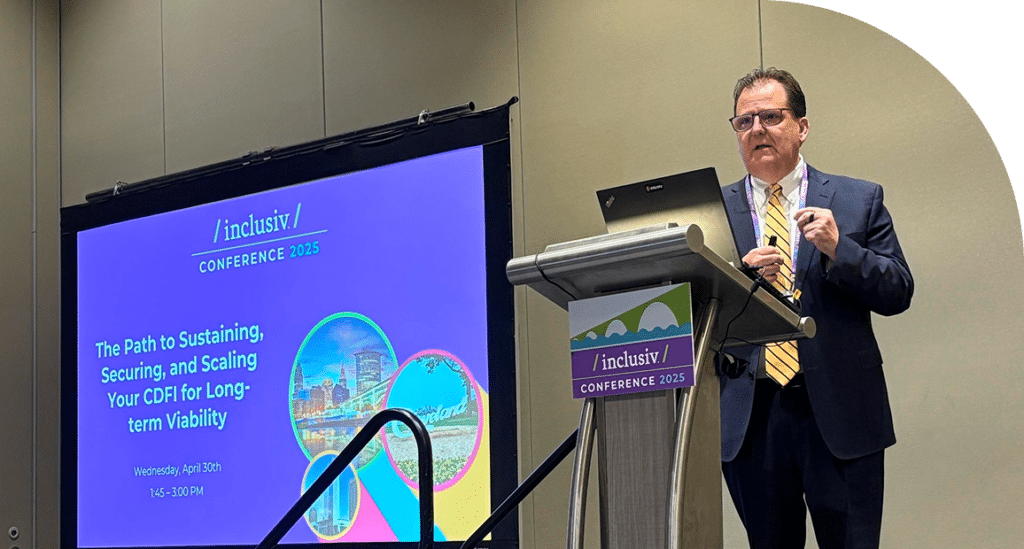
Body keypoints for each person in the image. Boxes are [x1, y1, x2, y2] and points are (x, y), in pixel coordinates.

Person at [719, 67, 914, 549]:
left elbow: (898, 291)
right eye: (744, 121)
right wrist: (735, 278)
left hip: (841, 413)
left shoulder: (857, 199)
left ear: (802, 127)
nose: (757, 129)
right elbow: (693, 309)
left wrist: (839, 248)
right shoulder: (711, 212)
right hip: (753, 416)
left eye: (770, 116)